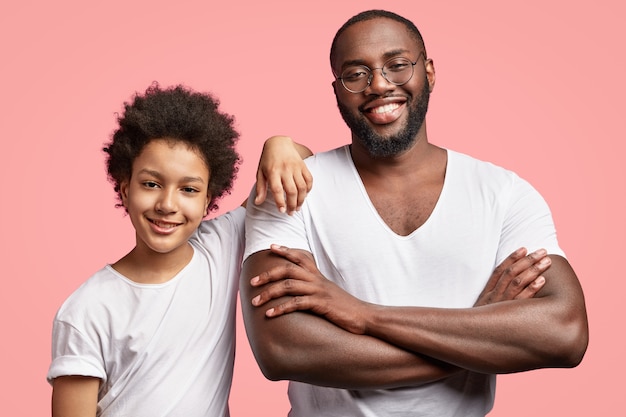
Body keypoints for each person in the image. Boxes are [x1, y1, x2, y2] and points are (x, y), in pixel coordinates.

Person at [240, 9, 588, 417]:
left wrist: (364, 315)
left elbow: (564, 333)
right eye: (356, 74)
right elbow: (284, 349)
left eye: (397, 66)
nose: (379, 85)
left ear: (430, 72)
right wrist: (478, 334)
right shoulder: (290, 188)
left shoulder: (504, 194)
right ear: (336, 90)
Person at [47, 83, 312, 417]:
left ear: (208, 201)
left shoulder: (221, 244)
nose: (167, 204)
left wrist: (277, 144)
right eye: (151, 184)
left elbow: (297, 162)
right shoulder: (87, 310)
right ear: (125, 188)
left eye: (188, 189)